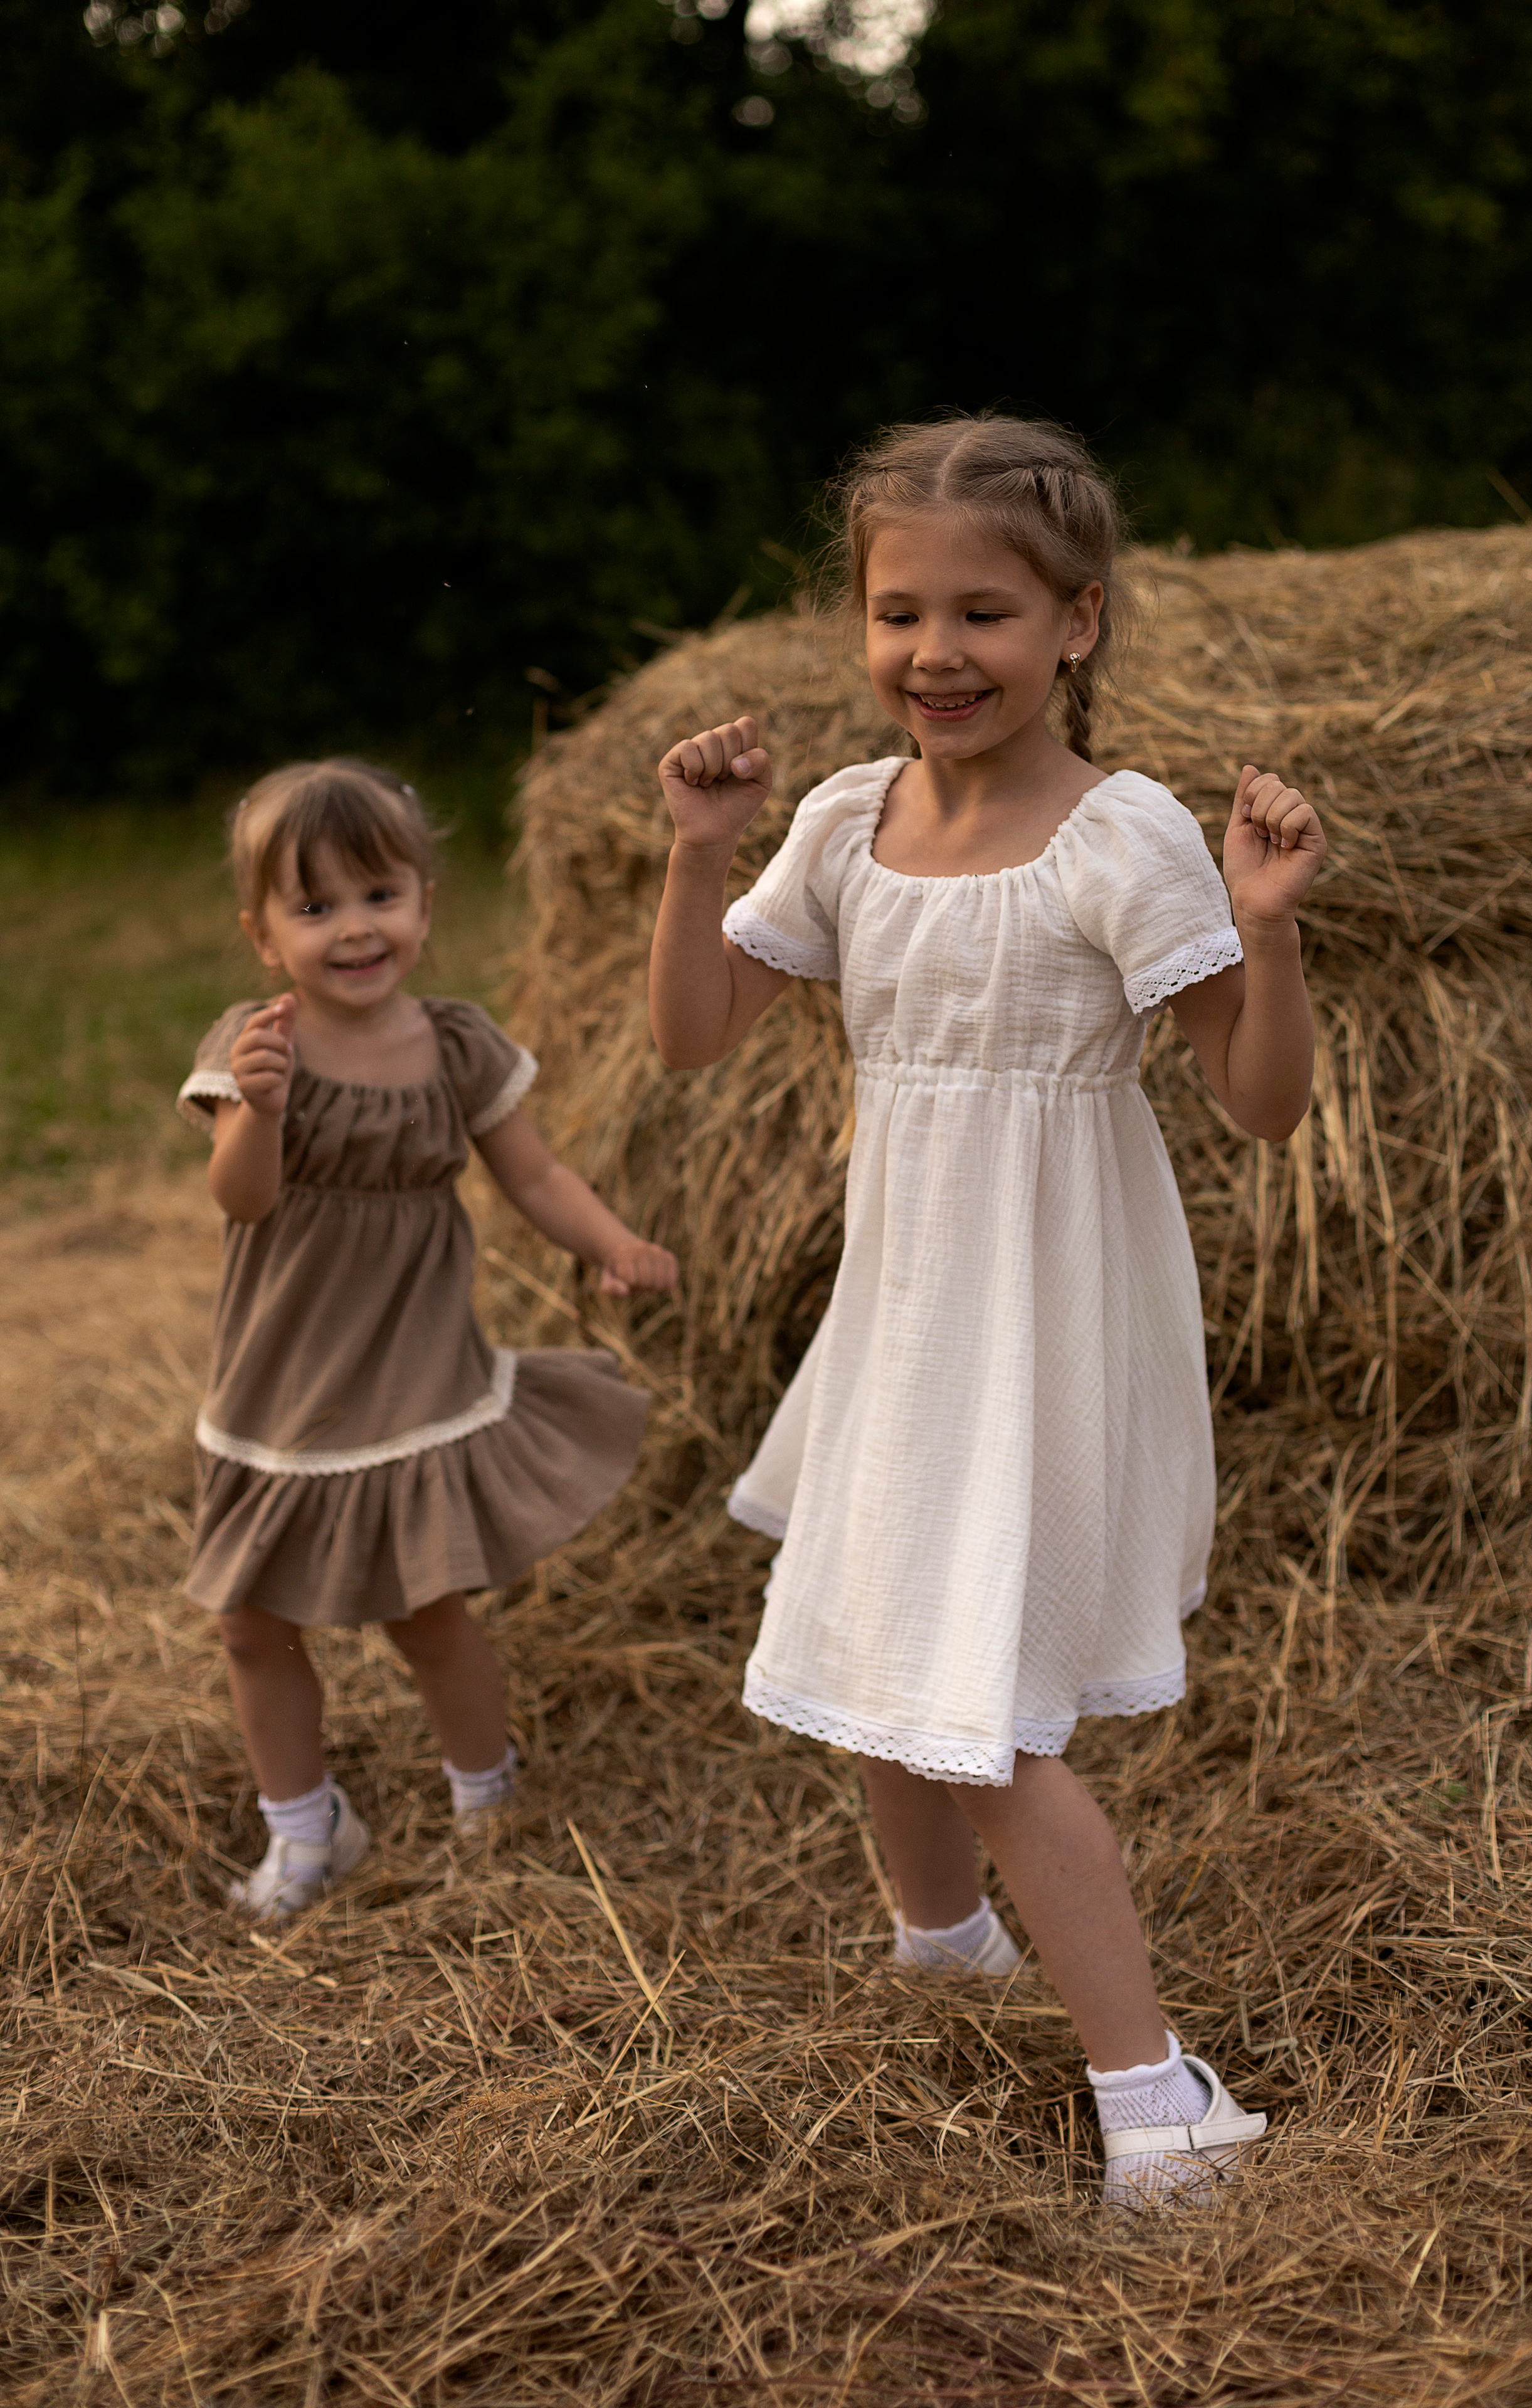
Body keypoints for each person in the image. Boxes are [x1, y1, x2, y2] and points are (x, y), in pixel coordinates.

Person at [647, 414, 1326, 2206]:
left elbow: (1259, 1106)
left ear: (1077, 623)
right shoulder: (840, 825)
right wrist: (696, 854)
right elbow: (693, 1037)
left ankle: (1164, 2100)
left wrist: (1268, 931)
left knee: (991, 1711)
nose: (935, 654)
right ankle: (944, 1954)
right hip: (910, 1301)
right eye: (898, 614)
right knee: (886, 1646)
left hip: (1048, 1311)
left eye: (986, 615)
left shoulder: (1128, 837)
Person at [179, 759, 676, 1920]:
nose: (354, 930)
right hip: (282, 1375)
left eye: (378, 896)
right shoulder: (258, 1046)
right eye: (315, 908)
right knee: (254, 1623)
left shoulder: (457, 1046)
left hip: (412, 1370)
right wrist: (256, 1107)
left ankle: (485, 1800)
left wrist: (607, 1242)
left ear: (423, 903)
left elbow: (535, 1173)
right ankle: (307, 1830)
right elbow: (240, 1199)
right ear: (263, 935)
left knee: (427, 1604)